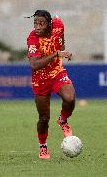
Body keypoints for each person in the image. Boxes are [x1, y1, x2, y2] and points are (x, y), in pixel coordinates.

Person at [26, 10, 75, 159]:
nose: (37, 27)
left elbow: (61, 41)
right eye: (35, 23)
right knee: (44, 118)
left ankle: (62, 120)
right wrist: (56, 54)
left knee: (70, 98)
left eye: (41, 23)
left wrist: (61, 50)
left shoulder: (58, 25)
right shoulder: (32, 38)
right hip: (40, 79)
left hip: (56, 72)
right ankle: (43, 146)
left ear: (49, 24)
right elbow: (34, 64)